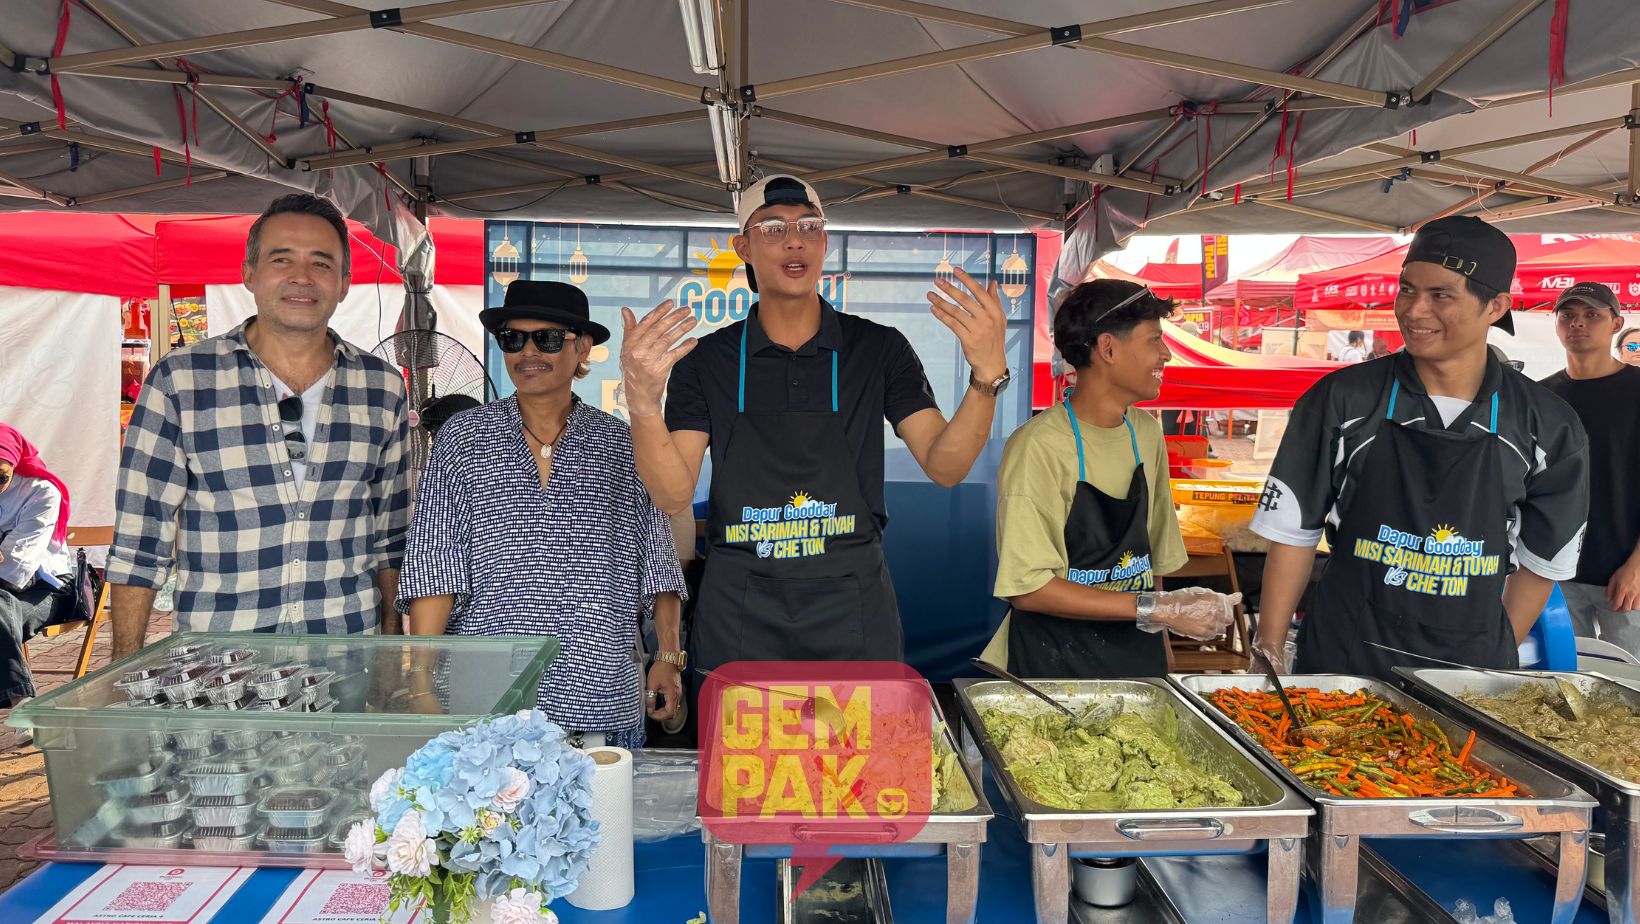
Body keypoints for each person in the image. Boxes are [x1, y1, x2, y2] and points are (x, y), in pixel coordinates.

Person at [619, 174, 1009, 674]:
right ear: (743, 247)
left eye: (809, 225)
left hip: (852, 609)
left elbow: (945, 464)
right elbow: (673, 495)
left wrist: (985, 377)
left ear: (824, 242)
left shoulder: (878, 350)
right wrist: (644, 404)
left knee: (859, 752)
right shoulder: (708, 360)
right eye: (773, 228)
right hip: (741, 612)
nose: (794, 239)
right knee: (741, 754)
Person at [1249, 216, 1589, 679]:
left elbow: (1543, 559)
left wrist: (1494, 651)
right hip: (1343, 657)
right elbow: (1293, 532)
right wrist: (1268, 647)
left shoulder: (1546, 424)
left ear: (1496, 307)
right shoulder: (1344, 399)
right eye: (1407, 289)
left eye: (1440, 295)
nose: (1413, 311)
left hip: (1470, 671)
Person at [108, 194, 410, 657]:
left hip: (348, 656)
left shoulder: (381, 388)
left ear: (346, 282)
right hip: (218, 665)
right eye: (281, 258)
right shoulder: (182, 381)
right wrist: (122, 666)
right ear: (249, 274)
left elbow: (391, 538)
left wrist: (391, 659)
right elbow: (140, 538)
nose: (302, 277)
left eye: (321, 263)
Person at [398, 281, 687, 748]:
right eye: (513, 338)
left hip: (598, 698)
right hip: (487, 702)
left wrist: (669, 657)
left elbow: (656, 560)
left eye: (547, 338)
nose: (528, 351)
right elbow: (435, 564)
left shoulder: (623, 443)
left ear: (583, 347)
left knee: (600, 820)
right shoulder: (463, 438)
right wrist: (421, 683)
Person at [984, 281, 1238, 677]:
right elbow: (1027, 588)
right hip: (1053, 663)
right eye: (1154, 339)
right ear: (1108, 348)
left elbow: (1150, 560)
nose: (1166, 354)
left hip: (1138, 656)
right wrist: (1156, 609)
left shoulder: (1146, 432)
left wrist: (1165, 640)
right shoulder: (1039, 447)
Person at [1541, 283, 1640, 655]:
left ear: (1616, 323)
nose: (1577, 323)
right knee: (1566, 682)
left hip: (1626, 572)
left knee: (1630, 691)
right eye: (1567, 315)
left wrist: (1637, 565)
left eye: (1591, 315)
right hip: (1555, 572)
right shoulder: (1542, 397)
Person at [0, 424, 75, 708]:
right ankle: (22, 704)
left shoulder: (41, 493)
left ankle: (21, 704)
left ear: (15, 464)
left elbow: (15, 566)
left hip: (48, 586)